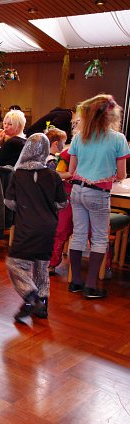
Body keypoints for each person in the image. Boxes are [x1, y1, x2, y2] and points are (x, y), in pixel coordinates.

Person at [67, 94, 129, 299]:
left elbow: (72, 170)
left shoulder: (79, 137)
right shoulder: (118, 139)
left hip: (77, 190)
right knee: (100, 237)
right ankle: (91, 285)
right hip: (99, 192)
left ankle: (75, 281)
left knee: (78, 234)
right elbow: (122, 174)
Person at [4, 133, 68, 322]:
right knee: (41, 266)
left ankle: (31, 295)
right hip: (48, 227)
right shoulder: (53, 176)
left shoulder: (18, 175)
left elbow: (9, 202)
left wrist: (26, 205)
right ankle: (43, 304)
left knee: (15, 264)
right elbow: (62, 203)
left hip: (26, 226)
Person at [47, 128, 73, 276]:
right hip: (66, 195)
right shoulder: (63, 156)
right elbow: (57, 174)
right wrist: (71, 174)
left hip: (78, 194)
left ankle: (105, 265)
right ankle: (52, 262)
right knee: (61, 230)